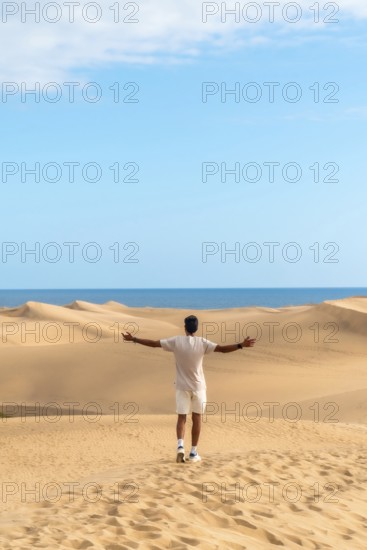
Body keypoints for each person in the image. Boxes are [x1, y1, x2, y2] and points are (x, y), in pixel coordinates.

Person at [122, 315, 256, 463]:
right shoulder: (202, 342)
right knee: (197, 418)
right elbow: (222, 349)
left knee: (182, 417)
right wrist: (241, 345)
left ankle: (180, 446)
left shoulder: (176, 341)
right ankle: (193, 453)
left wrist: (134, 339)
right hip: (198, 388)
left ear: (184, 328)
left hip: (181, 387)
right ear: (196, 328)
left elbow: (154, 344)